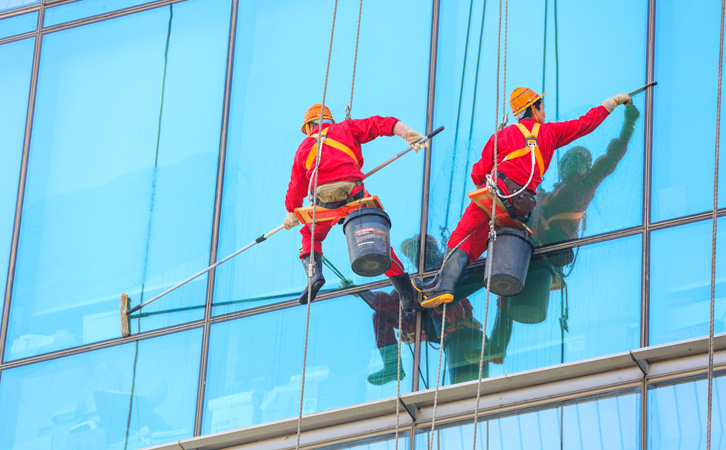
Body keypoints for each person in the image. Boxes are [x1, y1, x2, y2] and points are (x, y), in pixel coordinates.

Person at [414, 87, 632, 308]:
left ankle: (445, 284)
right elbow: (585, 124)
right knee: (479, 239)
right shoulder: (550, 132)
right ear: (534, 108)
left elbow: (478, 174)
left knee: (461, 235)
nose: (544, 112)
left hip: (498, 192)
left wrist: (489, 180)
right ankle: (444, 284)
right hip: (522, 205)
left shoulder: (502, 136)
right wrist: (610, 103)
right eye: (542, 107)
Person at [284, 104, 426, 307]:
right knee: (377, 237)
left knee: (310, 235)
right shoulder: (345, 128)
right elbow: (378, 124)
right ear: (329, 121)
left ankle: (313, 275)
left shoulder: (303, 148)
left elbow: (296, 186)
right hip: (354, 195)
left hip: (324, 203)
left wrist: (291, 210)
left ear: (309, 127)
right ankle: (405, 291)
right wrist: (406, 133)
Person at [531, 103, 641, 255]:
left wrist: (628, 126)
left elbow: (610, 160)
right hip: (537, 246)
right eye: (571, 159)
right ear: (561, 169)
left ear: (587, 170)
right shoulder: (548, 195)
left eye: (581, 160)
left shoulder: (583, 185)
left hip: (556, 244)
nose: (576, 161)